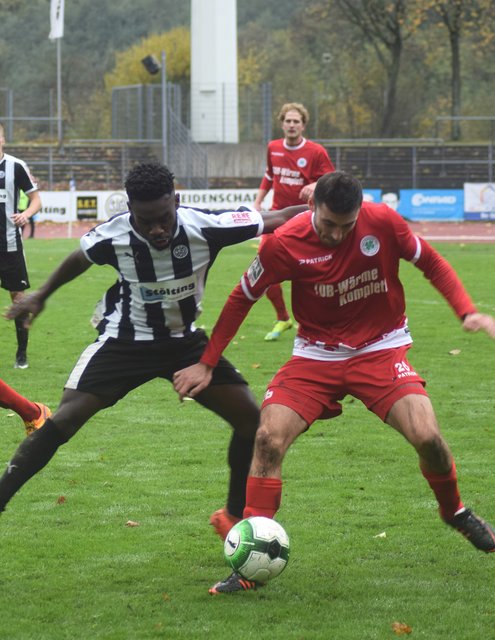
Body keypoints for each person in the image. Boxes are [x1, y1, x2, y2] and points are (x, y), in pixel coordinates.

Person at [173, 171, 495, 595]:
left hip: (381, 349)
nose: (338, 234)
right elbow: (241, 298)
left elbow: (430, 262)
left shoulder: (383, 222)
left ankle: (454, 511)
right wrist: (208, 363)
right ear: (312, 209)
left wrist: (465, 310)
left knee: (428, 437)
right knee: (268, 439)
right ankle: (250, 564)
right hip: (316, 356)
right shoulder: (283, 242)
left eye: (347, 225)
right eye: (328, 225)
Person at [1, 162, 305, 535]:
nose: (157, 229)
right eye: (146, 221)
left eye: (163, 217)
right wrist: (42, 296)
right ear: (130, 210)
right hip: (124, 343)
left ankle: (232, 516)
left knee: (250, 421)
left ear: (175, 200)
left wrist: (330, 200)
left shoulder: (206, 226)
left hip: (184, 344)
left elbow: (280, 217)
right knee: (63, 420)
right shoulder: (113, 236)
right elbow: (79, 258)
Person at [253, 103, 335, 342]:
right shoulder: (273, 147)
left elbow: (331, 179)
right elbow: (269, 175)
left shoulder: (316, 151)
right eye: (287, 121)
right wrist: (258, 202)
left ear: (303, 125)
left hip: (306, 216)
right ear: (282, 124)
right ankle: (283, 318)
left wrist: (315, 184)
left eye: (296, 121)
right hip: (277, 216)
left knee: (313, 271)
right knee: (263, 267)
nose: (291, 125)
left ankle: (321, 321)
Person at [0, 122, 42, 368]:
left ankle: (21, 354)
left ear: (3, 139)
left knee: (18, 298)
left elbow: (36, 200)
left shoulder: (16, 166)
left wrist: (26, 214)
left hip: (10, 245)